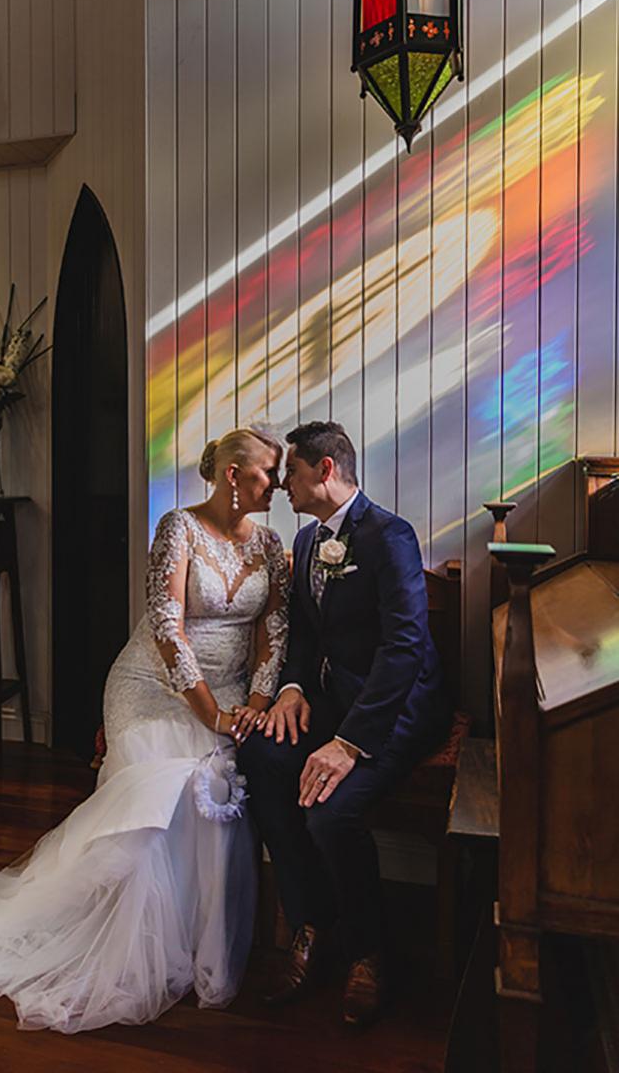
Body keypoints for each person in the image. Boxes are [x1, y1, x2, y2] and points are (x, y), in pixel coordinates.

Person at [0, 427, 289, 1033]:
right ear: (233, 475)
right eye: (269, 470)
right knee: (168, 781)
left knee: (217, 785)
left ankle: (194, 934)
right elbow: (167, 628)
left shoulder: (271, 543)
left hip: (235, 690)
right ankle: (129, 934)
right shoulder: (177, 529)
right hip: (155, 685)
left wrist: (258, 702)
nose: (279, 482)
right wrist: (212, 715)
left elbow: (273, 632)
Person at [238, 421, 451, 1026]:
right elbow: (305, 631)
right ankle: (311, 924)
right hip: (331, 702)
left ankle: (368, 952)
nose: (282, 484)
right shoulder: (307, 544)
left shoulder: (390, 536)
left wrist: (350, 743)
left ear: (325, 471)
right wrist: (294, 690)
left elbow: (406, 648)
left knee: (331, 811)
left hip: (398, 708)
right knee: (260, 757)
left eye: (293, 473)